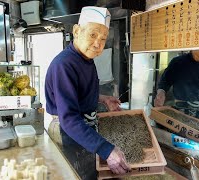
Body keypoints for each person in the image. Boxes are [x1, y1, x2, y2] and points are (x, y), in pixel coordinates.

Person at [45, 6, 130, 180]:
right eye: (93, 35)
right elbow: (68, 118)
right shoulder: (64, 65)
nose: (98, 43)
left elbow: (76, 94)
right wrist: (106, 149)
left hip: (82, 129)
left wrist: (102, 98)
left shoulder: (85, 59)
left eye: (103, 38)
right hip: (68, 131)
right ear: (76, 31)